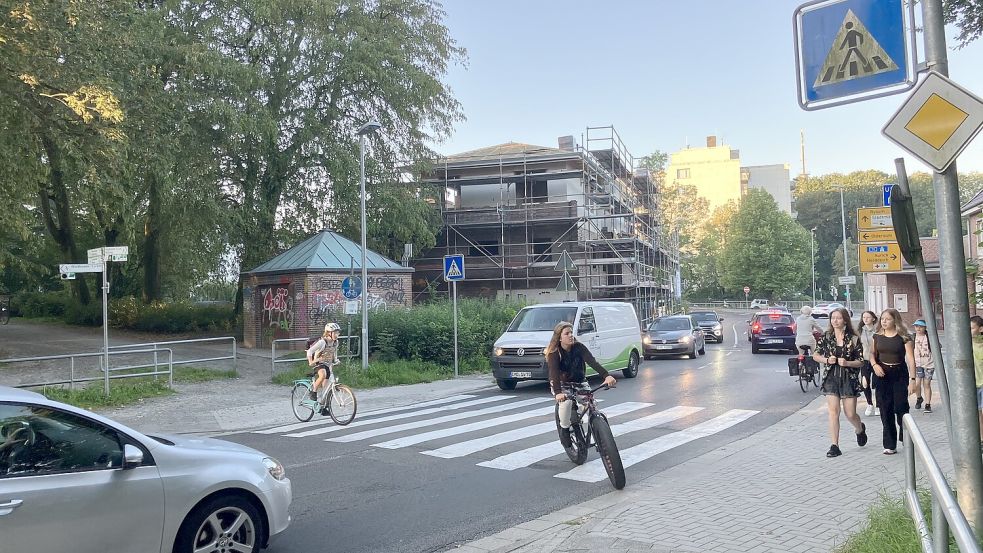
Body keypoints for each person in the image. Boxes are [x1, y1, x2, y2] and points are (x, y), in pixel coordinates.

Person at [546, 322, 617, 445]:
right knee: (566, 402)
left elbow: (592, 362)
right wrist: (558, 392)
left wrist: (607, 376)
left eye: (571, 332)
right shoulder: (554, 353)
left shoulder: (579, 347)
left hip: (579, 381)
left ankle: (583, 419)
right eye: (566, 333)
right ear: (559, 337)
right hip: (562, 383)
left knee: (591, 404)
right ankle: (565, 430)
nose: (570, 335)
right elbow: (554, 373)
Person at [812, 307, 867, 458]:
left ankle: (859, 428)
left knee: (850, 414)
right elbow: (816, 355)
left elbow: (861, 362)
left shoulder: (854, 339)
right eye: (833, 318)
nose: (835, 321)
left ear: (845, 320)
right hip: (831, 377)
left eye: (838, 318)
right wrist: (826, 360)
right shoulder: (826, 337)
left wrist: (848, 363)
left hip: (848, 378)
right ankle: (834, 445)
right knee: (833, 412)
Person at [870, 308, 917, 455]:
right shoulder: (877, 336)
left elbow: (910, 358)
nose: (884, 321)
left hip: (899, 374)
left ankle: (906, 437)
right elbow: (872, 353)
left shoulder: (904, 337)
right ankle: (890, 444)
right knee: (885, 408)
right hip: (882, 374)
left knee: (901, 407)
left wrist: (913, 379)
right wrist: (874, 365)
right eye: (882, 319)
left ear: (895, 320)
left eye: (887, 319)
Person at [306, 322, 341, 404]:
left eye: (338, 333)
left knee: (326, 388)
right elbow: (310, 351)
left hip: (328, 364)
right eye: (335, 333)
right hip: (319, 363)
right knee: (323, 375)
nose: (337, 335)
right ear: (329, 333)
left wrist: (335, 360)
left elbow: (334, 352)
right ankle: (313, 391)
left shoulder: (335, 342)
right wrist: (310, 361)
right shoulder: (322, 342)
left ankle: (323, 406)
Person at [858, 310, 880, 416]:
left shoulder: (878, 330)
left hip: (877, 360)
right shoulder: (860, 331)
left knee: (876, 383)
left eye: (868, 317)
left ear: (873, 319)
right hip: (865, 360)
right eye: (864, 317)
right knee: (865, 383)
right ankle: (869, 403)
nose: (865, 319)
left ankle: (878, 405)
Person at [911, 319, 935, 413]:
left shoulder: (929, 337)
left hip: (929, 364)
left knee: (926, 384)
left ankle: (928, 404)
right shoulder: (913, 337)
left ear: (925, 327)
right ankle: (919, 398)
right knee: (917, 383)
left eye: (920, 326)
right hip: (917, 364)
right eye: (916, 326)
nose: (918, 328)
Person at [971, 316, 983, 448]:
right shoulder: (966, 344)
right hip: (972, 385)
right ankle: (981, 439)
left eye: (972, 328)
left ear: (980, 329)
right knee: (978, 413)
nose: (969, 330)